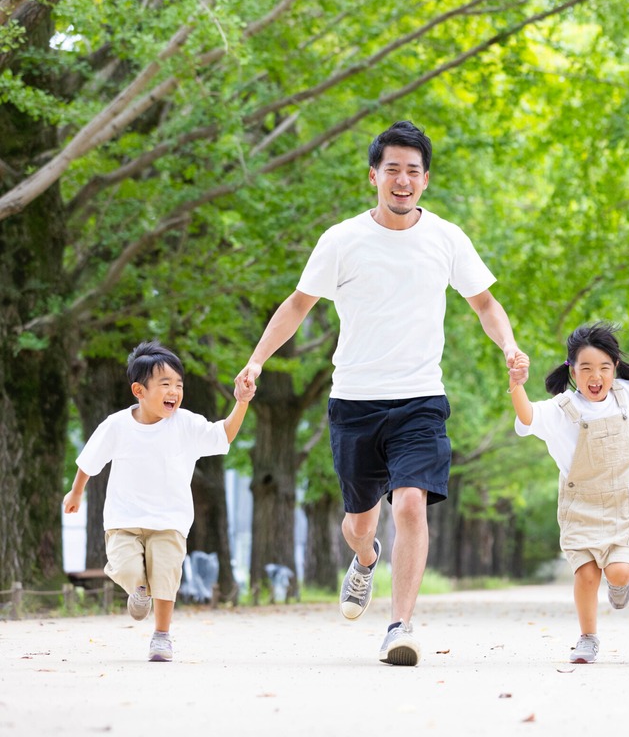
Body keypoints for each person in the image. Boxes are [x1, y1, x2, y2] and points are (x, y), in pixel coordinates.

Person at [236, 120, 522, 667]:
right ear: (374, 176)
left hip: (420, 398)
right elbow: (298, 305)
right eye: (392, 169)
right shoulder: (341, 240)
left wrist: (508, 345)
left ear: (426, 180)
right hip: (355, 402)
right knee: (359, 522)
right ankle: (365, 561)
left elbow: (485, 303)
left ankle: (399, 626)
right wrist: (257, 359)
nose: (402, 180)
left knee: (411, 503)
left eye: (413, 171)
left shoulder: (446, 237)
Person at [62, 341, 253, 662]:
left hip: (170, 520)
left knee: (165, 576)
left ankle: (162, 636)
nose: (174, 392)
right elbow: (89, 460)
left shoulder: (187, 424)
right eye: (165, 384)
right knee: (123, 566)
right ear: (139, 390)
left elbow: (224, 435)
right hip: (124, 519)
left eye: (179, 385)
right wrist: (76, 491)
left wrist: (241, 402)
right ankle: (138, 590)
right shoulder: (117, 425)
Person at [508, 323, 629, 664]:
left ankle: (618, 586)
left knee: (619, 572)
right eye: (586, 368)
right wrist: (516, 385)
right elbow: (526, 416)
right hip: (579, 505)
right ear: (572, 370)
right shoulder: (562, 408)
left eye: (604, 368)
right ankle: (587, 638)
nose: (595, 376)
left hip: (623, 504)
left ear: (614, 367)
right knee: (585, 574)